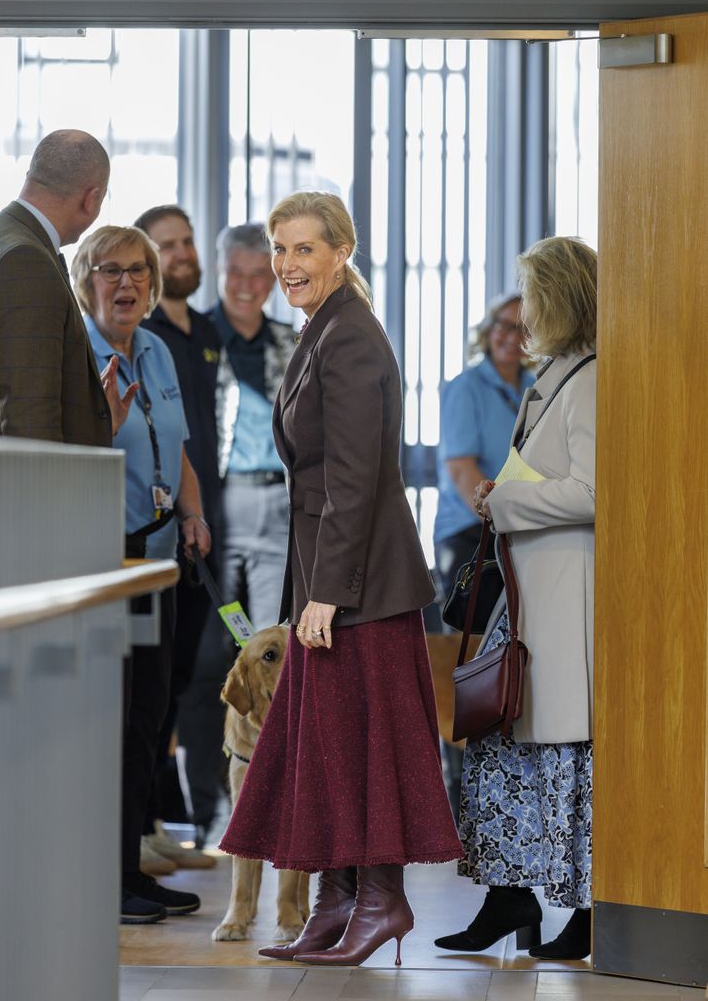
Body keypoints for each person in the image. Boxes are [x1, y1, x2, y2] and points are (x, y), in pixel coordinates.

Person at [219, 191, 463, 967]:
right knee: (326, 745)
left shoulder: (350, 337)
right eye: (280, 250)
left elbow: (357, 479)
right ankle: (335, 900)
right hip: (332, 577)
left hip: (359, 587)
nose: (288, 266)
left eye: (303, 250)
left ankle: (380, 901)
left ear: (341, 252)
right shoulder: (322, 329)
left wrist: (326, 593)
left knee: (362, 747)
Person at [435, 235, 597, 961]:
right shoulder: (558, 372)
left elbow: (595, 491)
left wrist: (507, 504)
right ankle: (509, 898)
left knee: (557, 756)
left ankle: (584, 910)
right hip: (531, 592)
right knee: (500, 744)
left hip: (563, 596)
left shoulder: (591, 379)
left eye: (531, 295)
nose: (522, 311)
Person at [72, 225, 212, 925]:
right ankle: (103, 875)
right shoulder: (75, 355)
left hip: (159, 561)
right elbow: (63, 466)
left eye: (137, 272)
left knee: (149, 720)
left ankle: (130, 868)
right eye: (109, 271)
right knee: (110, 721)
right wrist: (101, 426)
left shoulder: (155, 348)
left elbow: (178, 446)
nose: (124, 284)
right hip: (104, 562)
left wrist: (194, 515)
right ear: (84, 281)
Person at [190, 222, 295, 847]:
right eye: (239, 275)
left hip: (277, 509)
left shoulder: (291, 340)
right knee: (210, 662)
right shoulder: (199, 336)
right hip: (217, 510)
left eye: (263, 275)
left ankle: (273, 803)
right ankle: (210, 810)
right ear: (221, 274)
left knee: (273, 662)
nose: (250, 287)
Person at [134, 204, 220, 871]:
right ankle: (139, 823)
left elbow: (188, 441)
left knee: (176, 675)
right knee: (151, 685)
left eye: (188, 241)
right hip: (145, 540)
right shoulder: (142, 330)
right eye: (169, 245)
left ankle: (154, 820)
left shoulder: (194, 335)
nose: (183, 253)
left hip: (196, 530)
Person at [0, 128, 134, 445]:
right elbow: (31, 427)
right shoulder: (25, 259)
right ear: (92, 198)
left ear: (31, 175)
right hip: (19, 490)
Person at [434, 293, 535, 601]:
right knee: (478, 640)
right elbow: (462, 470)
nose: (511, 337)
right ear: (489, 330)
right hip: (471, 530)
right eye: (504, 326)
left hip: (514, 527)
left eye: (523, 328)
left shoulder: (535, 387)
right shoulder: (466, 387)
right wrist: (497, 520)